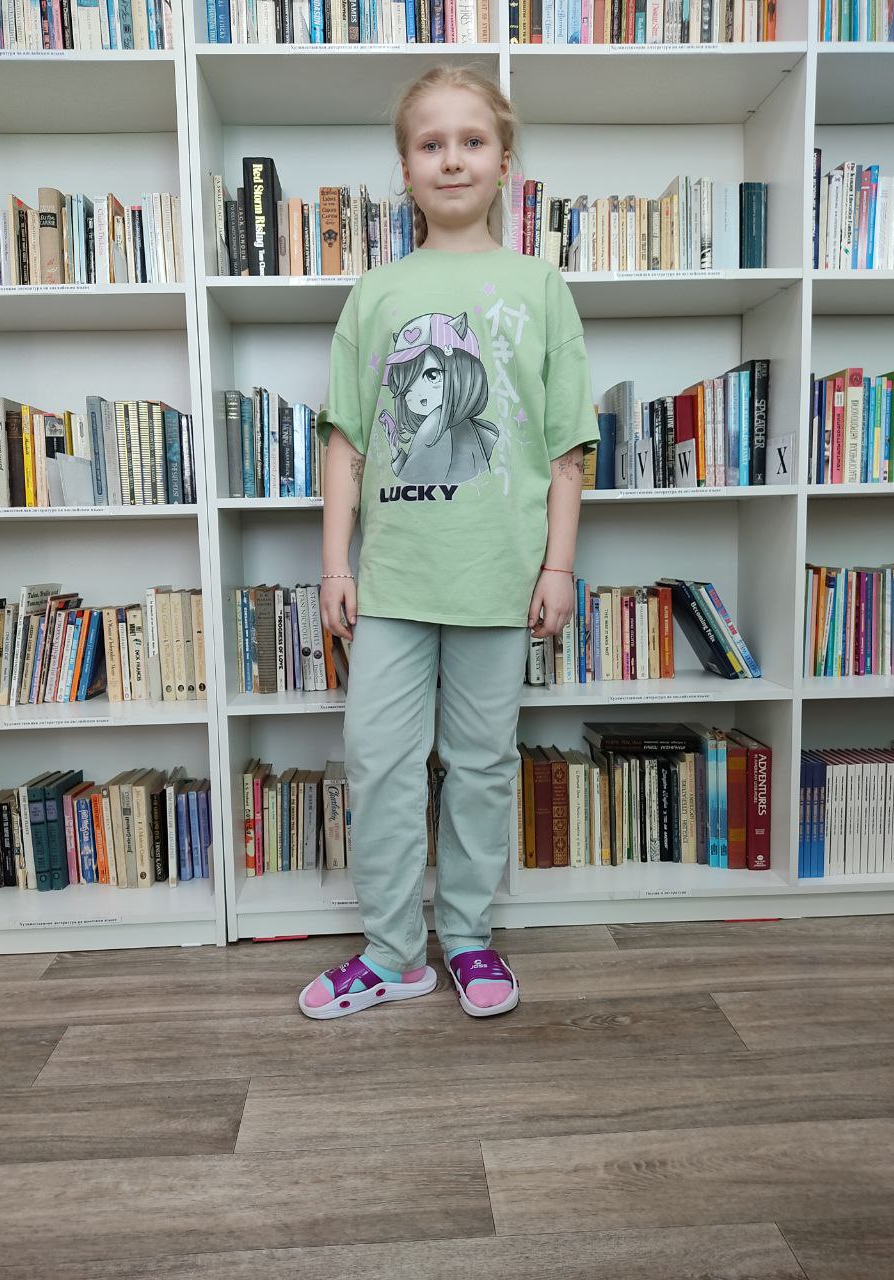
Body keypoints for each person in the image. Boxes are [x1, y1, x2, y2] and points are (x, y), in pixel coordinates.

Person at [298, 63, 599, 1021]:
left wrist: (558, 564)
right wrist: (335, 563)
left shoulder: (541, 285)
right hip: (391, 579)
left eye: (473, 140)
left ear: (505, 161)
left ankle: (467, 936)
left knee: (481, 764)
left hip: (497, 577)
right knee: (379, 761)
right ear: (406, 170)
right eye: (431, 144)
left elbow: (567, 446)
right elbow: (346, 441)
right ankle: (393, 953)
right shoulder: (375, 292)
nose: (453, 159)